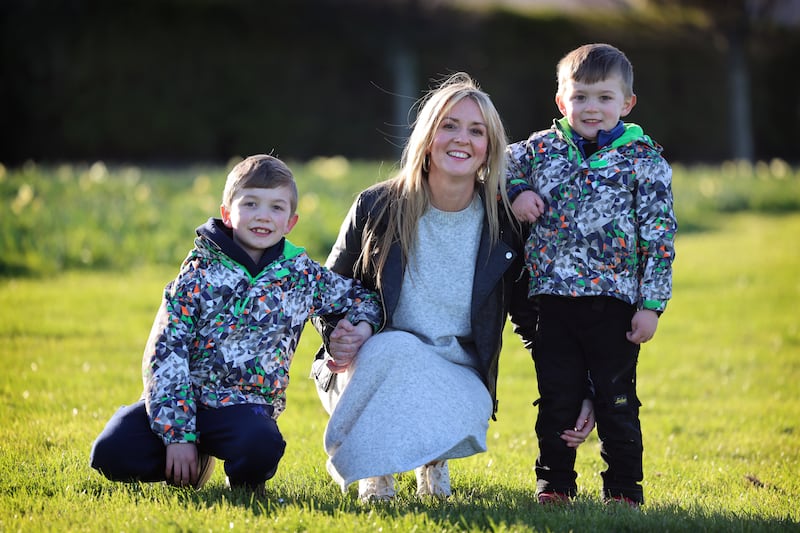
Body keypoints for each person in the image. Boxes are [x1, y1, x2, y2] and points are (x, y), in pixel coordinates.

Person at [310, 72, 595, 502]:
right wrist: (338, 333)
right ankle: (376, 472)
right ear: (428, 136)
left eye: (476, 131)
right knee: (396, 350)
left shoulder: (504, 225)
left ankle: (432, 459)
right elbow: (327, 289)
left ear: (489, 149)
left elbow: (532, 320)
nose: (462, 139)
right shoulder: (377, 206)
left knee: (447, 386)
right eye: (449, 125)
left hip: (457, 372)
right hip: (369, 367)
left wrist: (581, 386)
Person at [90, 155, 382, 493]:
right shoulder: (198, 273)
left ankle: (244, 481)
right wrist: (177, 435)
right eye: (251, 203)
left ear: (291, 221)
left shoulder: (301, 277)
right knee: (111, 451)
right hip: (187, 399)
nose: (262, 215)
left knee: (261, 444)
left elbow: (366, 298)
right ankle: (192, 459)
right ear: (228, 213)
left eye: (276, 207)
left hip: (244, 409)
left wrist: (361, 327)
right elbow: (165, 352)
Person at [505, 43, 677, 507]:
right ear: (562, 102)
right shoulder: (541, 149)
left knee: (616, 399)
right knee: (556, 396)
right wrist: (519, 190)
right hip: (552, 303)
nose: (591, 108)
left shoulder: (644, 160)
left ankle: (623, 489)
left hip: (616, 306)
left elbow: (658, 239)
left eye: (604, 97)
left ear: (626, 104)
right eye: (580, 97)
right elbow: (500, 160)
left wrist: (652, 305)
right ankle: (555, 483)